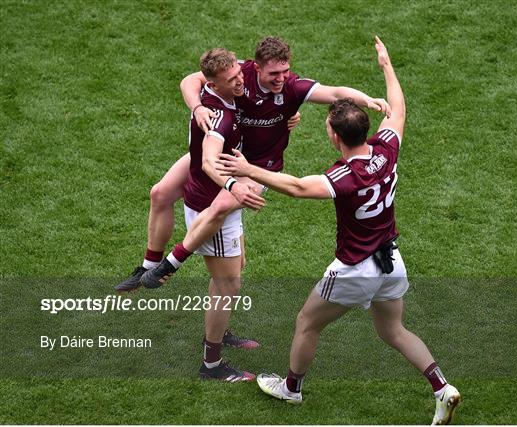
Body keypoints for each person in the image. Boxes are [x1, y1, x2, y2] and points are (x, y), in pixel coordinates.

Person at [216, 37, 461, 424]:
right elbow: (397, 108)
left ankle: (291, 389)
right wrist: (386, 65)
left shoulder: (343, 177)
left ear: (334, 135)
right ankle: (442, 387)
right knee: (394, 330)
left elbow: (296, 187)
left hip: (354, 269)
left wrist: (248, 170)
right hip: (391, 260)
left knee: (306, 322)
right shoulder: (385, 149)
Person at [116, 36, 390, 292]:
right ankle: (148, 267)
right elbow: (191, 80)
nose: (281, 79)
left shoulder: (292, 87)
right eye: (274, 74)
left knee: (222, 206)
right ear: (255, 67)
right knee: (160, 192)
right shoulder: (238, 74)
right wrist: (197, 108)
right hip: (229, 151)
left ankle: (171, 264)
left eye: (285, 71)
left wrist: (366, 99)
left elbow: (334, 93)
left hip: (259, 167)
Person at [157, 47, 262, 381]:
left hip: (222, 199)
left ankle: (220, 330)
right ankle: (212, 364)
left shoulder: (216, 90)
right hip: (213, 202)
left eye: (239, 73)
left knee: (234, 271)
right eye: (231, 80)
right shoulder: (220, 118)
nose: (240, 81)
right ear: (213, 85)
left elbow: (189, 80)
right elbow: (207, 162)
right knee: (228, 282)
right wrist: (234, 185)